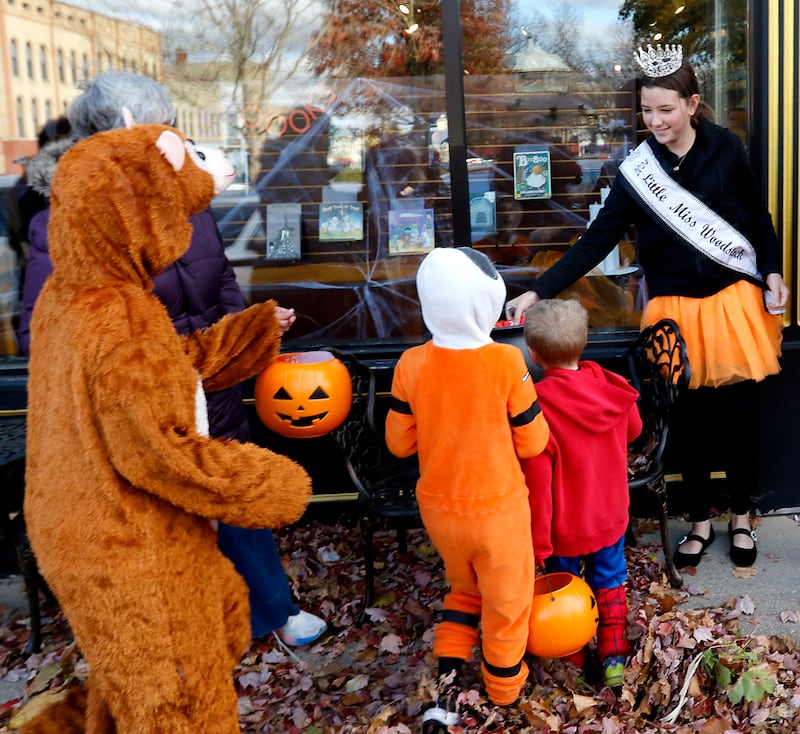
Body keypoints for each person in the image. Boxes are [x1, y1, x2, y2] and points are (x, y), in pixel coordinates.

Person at [17, 69, 326, 647]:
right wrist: (133, 370)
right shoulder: (67, 223)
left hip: (214, 384)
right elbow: (45, 331)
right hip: (144, 403)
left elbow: (222, 278)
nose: (174, 139)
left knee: (232, 498)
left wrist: (243, 331)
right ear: (124, 135)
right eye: (163, 127)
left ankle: (273, 611)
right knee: (165, 518)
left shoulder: (189, 200)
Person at [506, 44, 789, 570]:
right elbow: (596, 242)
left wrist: (772, 270)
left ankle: (743, 517)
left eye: (665, 109)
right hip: (674, 311)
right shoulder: (637, 171)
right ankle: (701, 522)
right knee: (689, 422)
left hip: (734, 306)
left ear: (692, 104)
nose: (655, 121)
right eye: (646, 110)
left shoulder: (727, 149)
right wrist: (539, 290)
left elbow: (757, 219)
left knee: (739, 419)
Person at [384, 246, 550, 730]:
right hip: (497, 509)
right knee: (507, 599)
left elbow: (398, 443)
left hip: (439, 509)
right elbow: (534, 441)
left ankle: (447, 680)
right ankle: (503, 687)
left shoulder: (410, 364)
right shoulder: (505, 361)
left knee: (463, 589)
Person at [521, 298, 642, 688]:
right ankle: (613, 656)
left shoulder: (536, 408)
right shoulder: (610, 387)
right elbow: (634, 430)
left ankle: (572, 652)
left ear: (534, 354)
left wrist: (538, 547)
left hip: (564, 525)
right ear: (585, 342)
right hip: (608, 514)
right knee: (610, 579)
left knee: (564, 589)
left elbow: (538, 485)